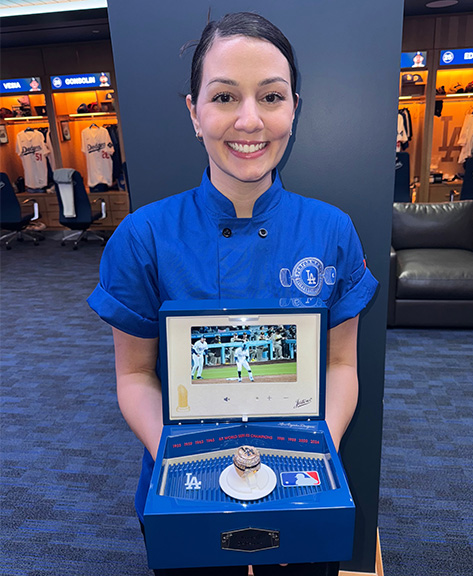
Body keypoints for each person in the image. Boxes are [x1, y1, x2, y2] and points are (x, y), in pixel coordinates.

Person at [87, 12, 378, 575]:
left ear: (295, 106)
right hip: (183, 472)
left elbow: (341, 365)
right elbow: (134, 376)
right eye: (223, 97)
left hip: (300, 474)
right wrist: (175, 456)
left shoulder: (332, 231)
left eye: (271, 96)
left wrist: (322, 453)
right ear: (193, 111)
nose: (250, 120)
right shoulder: (143, 237)